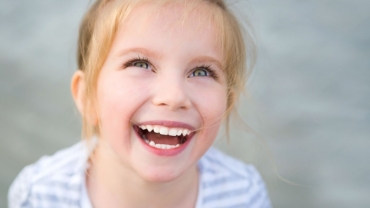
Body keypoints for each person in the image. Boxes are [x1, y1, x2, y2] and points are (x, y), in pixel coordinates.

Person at [8, 0, 271, 207]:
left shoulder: (244, 194)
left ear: (227, 103)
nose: (174, 96)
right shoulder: (40, 194)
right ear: (88, 97)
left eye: (202, 71)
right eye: (140, 64)